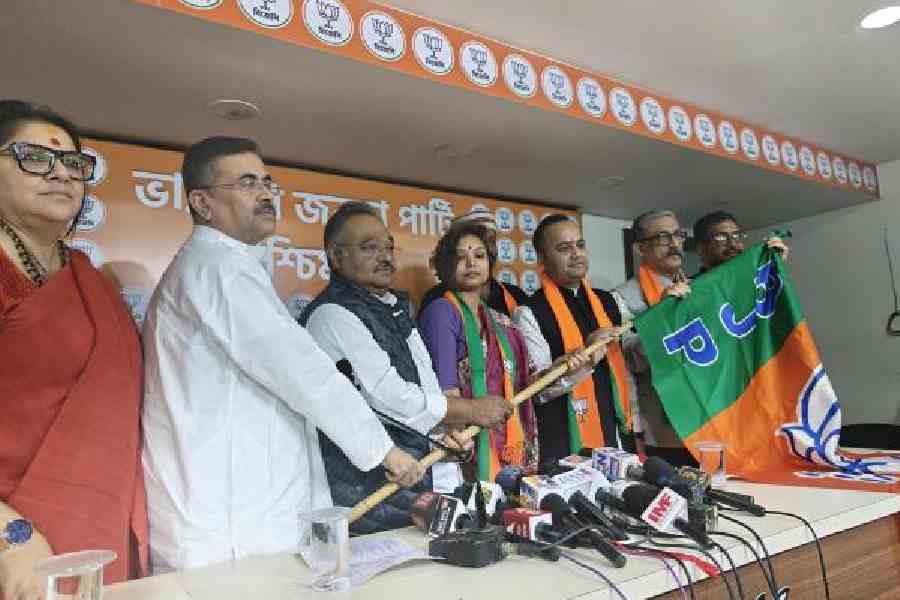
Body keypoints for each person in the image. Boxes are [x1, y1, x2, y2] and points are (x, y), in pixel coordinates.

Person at [141, 137, 423, 573]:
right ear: (203, 202)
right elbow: (302, 372)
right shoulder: (218, 267)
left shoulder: (228, 265)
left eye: (268, 182)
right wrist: (386, 452)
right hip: (229, 520)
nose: (266, 193)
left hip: (239, 507)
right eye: (247, 182)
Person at [0, 100, 148, 599]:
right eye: (34, 158)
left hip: (97, 529)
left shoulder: (91, 280)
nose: (60, 174)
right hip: (15, 544)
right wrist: (12, 539)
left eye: (73, 165)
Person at [301, 202, 484, 534]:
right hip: (366, 490)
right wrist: (470, 410)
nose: (386, 257)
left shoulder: (395, 307)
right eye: (370, 248)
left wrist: (444, 436)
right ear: (336, 257)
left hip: (413, 483)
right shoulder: (332, 314)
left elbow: (424, 387)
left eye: (388, 247)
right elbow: (388, 395)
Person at [419, 222, 589, 479]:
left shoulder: (501, 321)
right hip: (463, 448)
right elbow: (444, 393)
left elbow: (525, 385)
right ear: (444, 266)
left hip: (509, 445)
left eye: (479, 255)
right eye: (460, 257)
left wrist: (560, 368)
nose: (471, 263)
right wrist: (460, 440)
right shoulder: (441, 312)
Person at [513, 214, 634, 464]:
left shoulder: (610, 302)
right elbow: (538, 390)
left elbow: (631, 359)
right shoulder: (529, 313)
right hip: (564, 443)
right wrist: (588, 354)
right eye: (564, 248)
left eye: (580, 245)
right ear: (542, 259)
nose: (576, 254)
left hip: (617, 434)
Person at [613, 210, 696, 466]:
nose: (673, 243)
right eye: (662, 237)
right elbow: (629, 359)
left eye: (677, 235)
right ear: (640, 248)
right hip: (662, 429)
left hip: (710, 413)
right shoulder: (621, 297)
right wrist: (662, 314)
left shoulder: (700, 288)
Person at [419, 207, 528, 317]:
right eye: (462, 255)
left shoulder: (516, 295)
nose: (472, 262)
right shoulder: (436, 298)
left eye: (492, 241)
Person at [693, 210, 790, 275]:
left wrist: (776, 266)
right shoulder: (692, 291)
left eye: (736, 236)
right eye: (721, 237)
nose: (733, 244)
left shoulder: (754, 280)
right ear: (701, 249)